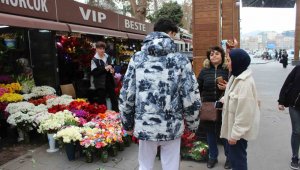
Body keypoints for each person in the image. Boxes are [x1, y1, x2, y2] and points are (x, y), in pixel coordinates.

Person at [119, 19, 201, 170]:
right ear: (169, 33)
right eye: (174, 35)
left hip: (145, 125)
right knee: (171, 166)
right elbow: (191, 96)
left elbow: (127, 94)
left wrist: (127, 123)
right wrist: (192, 125)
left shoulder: (137, 58)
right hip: (172, 126)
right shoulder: (181, 60)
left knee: (144, 165)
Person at [220, 48, 260, 170]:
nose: (227, 63)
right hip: (232, 128)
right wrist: (223, 101)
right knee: (234, 158)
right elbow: (234, 98)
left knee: (238, 161)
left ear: (237, 62)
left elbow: (245, 113)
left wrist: (235, 135)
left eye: (229, 60)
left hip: (237, 132)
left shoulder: (244, 83)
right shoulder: (235, 77)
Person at [197, 46, 231, 169]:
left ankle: (229, 158)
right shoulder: (204, 71)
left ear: (222, 56)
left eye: (217, 54)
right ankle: (213, 157)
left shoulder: (227, 70)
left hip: (224, 106)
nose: (214, 56)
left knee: (225, 133)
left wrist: (227, 88)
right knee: (210, 133)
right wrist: (199, 102)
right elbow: (197, 88)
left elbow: (235, 88)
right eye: (211, 54)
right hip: (208, 106)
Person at [278, 65, 300, 170]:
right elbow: (287, 83)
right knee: (297, 131)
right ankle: (295, 157)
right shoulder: (298, 68)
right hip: (295, 106)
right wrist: (281, 101)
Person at [90, 41, 119, 111]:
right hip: (100, 83)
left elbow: (111, 65)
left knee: (114, 98)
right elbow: (94, 73)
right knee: (102, 101)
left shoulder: (107, 56)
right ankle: (103, 116)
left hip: (109, 80)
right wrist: (104, 69)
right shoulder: (94, 60)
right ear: (96, 49)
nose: (102, 50)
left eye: (103, 48)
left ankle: (116, 114)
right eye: (100, 49)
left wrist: (112, 69)